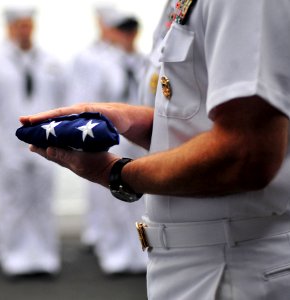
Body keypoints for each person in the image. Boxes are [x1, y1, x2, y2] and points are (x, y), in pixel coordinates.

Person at [21, 0, 290, 299]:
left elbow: (245, 153)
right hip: (200, 262)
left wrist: (116, 173)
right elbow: (199, 123)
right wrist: (139, 122)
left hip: (232, 268)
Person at [0, 6, 66, 276]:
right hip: (9, 145)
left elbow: (62, 101)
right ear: (9, 27)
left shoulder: (49, 61)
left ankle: (44, 255)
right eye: (19, 25)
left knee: (42, 201)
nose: (24, 30)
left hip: (45, 143)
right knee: (12, 203)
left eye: (28, 25)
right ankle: (13, 255)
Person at [67, 8, 149, 274]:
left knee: (143, 199)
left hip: (142, 139)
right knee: (113, 198)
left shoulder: (145, 62)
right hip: (111, 138)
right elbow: (90, 101)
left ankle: (140, 253)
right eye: (123, 30)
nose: (128, 36)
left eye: (131, 30)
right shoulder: (101, 63)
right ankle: (114, 254)